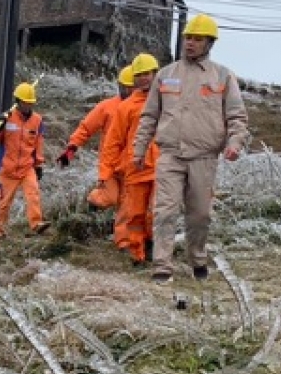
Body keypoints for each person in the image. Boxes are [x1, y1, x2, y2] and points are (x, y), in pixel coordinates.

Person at [132, 14, 249, 283]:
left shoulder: (222, 76)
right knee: (165, 210)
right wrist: (139, 151)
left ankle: (197, 258)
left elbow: (237, 116)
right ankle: (162, 265)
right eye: (188, 37)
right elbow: (149, 116)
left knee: (200, 215)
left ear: (209, 43)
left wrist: (234, 143)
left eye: (197, 39)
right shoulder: (166, 74)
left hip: (204, 158)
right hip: (170, 155)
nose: (191, 43)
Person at [56, 65, 134, 238]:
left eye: (130, 87)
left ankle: (123, 242)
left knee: (127, 206)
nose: (126, 90)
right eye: (123, 86)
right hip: (109, 165)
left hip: (132, 166)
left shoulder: (143, 108)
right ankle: (92, 200)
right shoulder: (106, 107)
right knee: (112, 198)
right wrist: (71, 149)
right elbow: (86, 128)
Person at [101, 53, 161, 265]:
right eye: (139, 75)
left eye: (148, 74)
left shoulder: (168, 102)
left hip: (162, 168)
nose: (144, 78)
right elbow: (113, 141)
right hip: (135, 169)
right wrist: (105, 172)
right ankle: (138, 256)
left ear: (156, 74)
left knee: (157, 213)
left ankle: (153, 245)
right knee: (134, 216)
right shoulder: (125, 108)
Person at [0, 81, 51, 239]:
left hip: (27, 167)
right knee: (3, 203)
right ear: (18, 101)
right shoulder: (7, 118)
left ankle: (36, 224)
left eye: (31, 103)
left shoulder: (37, 120)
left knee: (33, 194)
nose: (28, 106)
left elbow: (38, 143)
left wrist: (38, 164)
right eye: (26, 102)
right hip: (8, 169)